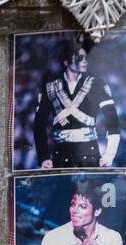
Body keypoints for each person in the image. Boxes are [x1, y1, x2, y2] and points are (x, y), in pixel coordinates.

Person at [32, 33, 121, 170]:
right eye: (79, 58)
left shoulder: (97, 85)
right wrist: (43, 156)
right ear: (66, 62)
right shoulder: (51, 87)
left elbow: (113, 122)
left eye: (86, 57)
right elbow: (39, 124)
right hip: (60, 158)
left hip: (90, 157)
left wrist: (108, 156)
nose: (84, 61)